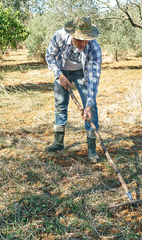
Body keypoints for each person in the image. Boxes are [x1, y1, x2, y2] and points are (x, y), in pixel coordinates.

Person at [45, 17, 102, 163]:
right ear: (72, 35)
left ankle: (91, 150)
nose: (83, 44)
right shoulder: (60, 36)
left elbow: (93, 79)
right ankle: (58, 143)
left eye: (86, 40)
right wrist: (59, 75)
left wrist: (88, 105)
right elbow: (49, 56)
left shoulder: (94, 48)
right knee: (60, 105)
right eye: (80, 40)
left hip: (82, 73)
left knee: (92, 108)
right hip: (62, 70)